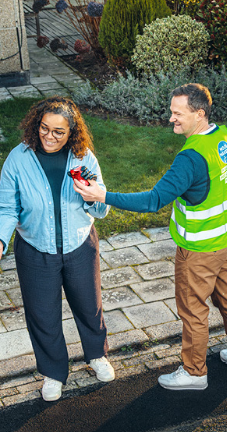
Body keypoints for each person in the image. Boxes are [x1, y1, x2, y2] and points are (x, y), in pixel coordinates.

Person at [74, 84, 227, 390]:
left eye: (177, 113)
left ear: (199, 113)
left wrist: (102, 195)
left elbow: (152, 201)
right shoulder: (226, 137)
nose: (170, 118)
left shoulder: (189, 158)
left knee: (193, 309)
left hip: (198, 248)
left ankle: (194, 372)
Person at [0, 96, 113, 401]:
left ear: (71, 133)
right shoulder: (18, 159)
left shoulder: (83, 158)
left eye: (58, 132)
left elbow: (101, 210)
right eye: (44, 129)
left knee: (90, 306)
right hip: (35, 250)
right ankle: (53, 373)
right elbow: (7, 207)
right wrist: (0, 239)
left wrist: (92, 196)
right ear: (36, 125)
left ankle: (96, 356)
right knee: (42, 314)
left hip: (80, 244)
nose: (49, 137)